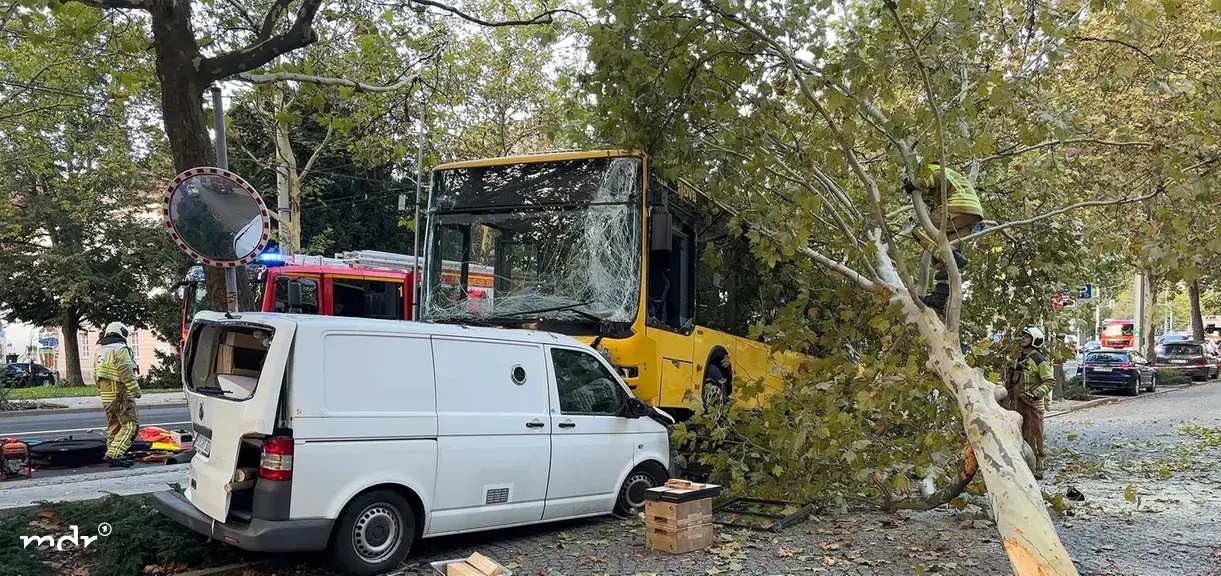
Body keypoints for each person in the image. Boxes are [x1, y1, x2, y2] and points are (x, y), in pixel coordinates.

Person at [901, 160, 985, 317]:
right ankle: (940, 298)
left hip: (958, 206)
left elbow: (934, 178)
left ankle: (950, 257)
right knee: (943, 255)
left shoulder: (934, 169)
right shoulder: (955, 177)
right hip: (971, 215)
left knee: (921, 230)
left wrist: (914, 183)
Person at [1005, 326, 1053, 479]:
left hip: (1033, 405)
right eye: (1022, 336)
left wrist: (1035, 394)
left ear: (1034, 340)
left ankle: (1039, 466)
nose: (1023, 338)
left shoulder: (1039, 360)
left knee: (1035, 434)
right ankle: (1021, 464)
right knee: (1019, 434)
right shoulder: (1018, 359)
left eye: (1026, 336)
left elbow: (1049, 381)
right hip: (1018, 404)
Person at [94, 322, 141, 468]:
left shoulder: (101, 351)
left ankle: (112, 451)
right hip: (120, 394)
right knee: (129, 425)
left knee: (114, 425)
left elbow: (96, 374)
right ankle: (114, 454)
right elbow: (125, 371)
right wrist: (135, 390)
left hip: (106, 395)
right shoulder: (120, 349)